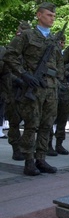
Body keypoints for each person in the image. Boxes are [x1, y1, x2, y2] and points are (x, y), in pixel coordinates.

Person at [3, 2, 64, 175]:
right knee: (31, 125)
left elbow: (59, 63)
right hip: (33, 88)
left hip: (51, 89)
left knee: (46, 125)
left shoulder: (54, 39)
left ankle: (41, 158)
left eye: (53, 15)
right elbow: (10, 56)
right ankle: (29, 161)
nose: (52, 18)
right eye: (48, 15)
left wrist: (58, 80)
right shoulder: (27, 36)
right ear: (39, 15)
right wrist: (24, 75)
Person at [2, 21, 31, 160]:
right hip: (12, 90)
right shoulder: (10, 49)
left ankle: (27, 148)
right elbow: (5, 69)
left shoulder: (31, 52)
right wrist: (17, 79)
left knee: (30, 121)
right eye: (21, 32)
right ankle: (16, 148)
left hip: (27, 90)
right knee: (14, 122)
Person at [47, 33, 69, 156]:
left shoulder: (64, 55)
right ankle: (48, 144)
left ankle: (59, 144)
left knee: (62, 118)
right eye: (59, 42)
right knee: (50, 117)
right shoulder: (50, 53)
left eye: (62, 42)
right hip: (53, 86)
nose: (60, 44)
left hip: (64, 89)